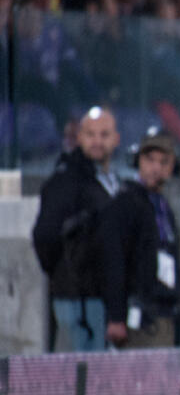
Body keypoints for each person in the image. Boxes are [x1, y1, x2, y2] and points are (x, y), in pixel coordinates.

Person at [32, 105, 121, 352]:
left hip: (108, 299)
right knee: (82, 371)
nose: (97, 141)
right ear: (79, 137)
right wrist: (65, 274)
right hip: (77, 300)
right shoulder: (64, 182)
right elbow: (45, 237)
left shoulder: (116, 183)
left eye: (104, 134)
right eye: (90, 134)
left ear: (116, 139)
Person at [98, 131, 180, 348]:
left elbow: (172, 268)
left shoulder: (162, 207)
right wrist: (116, 317)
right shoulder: (125, 203)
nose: (156, 168)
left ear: (173, 167)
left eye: (164, 162)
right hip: (138, 320)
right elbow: (114, 261)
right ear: (138, 162)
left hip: (164, 316)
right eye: (150, 160)